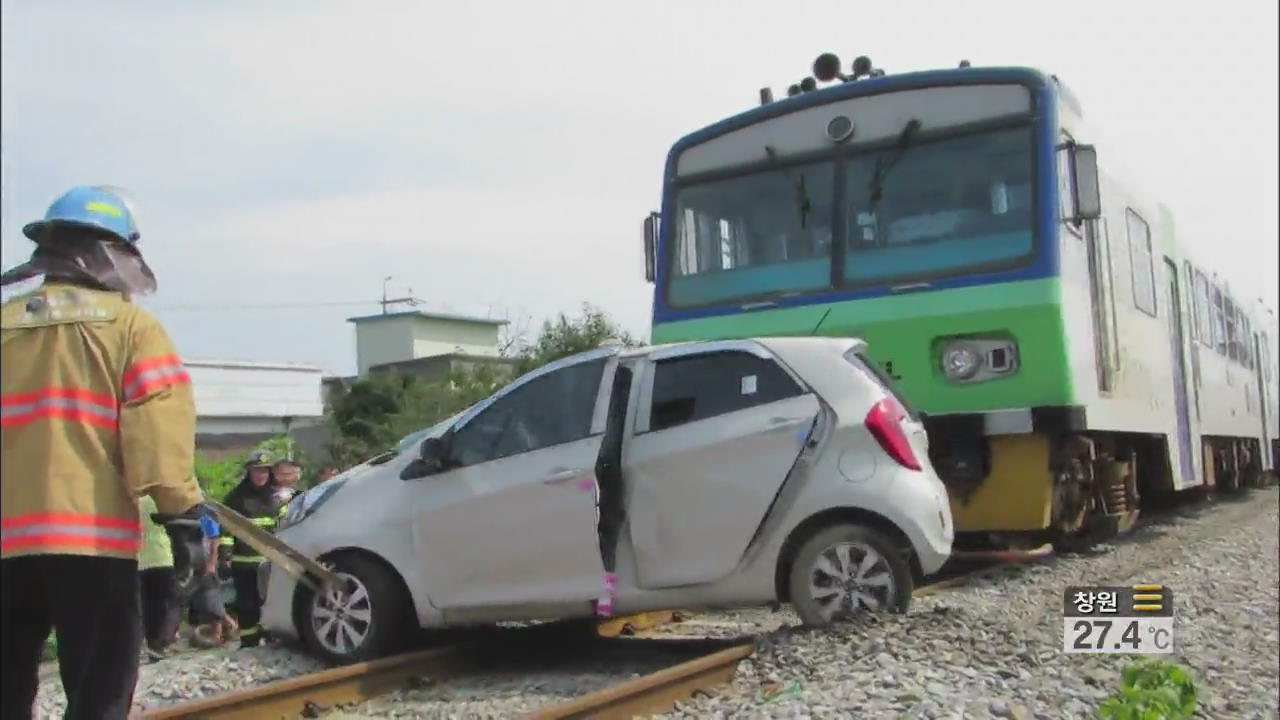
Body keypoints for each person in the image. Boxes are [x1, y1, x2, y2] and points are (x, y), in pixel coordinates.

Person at [1, 185, 213, 720]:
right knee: (99, 693)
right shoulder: (131, 327)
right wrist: (183, 522)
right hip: (92, 542)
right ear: (116, 253)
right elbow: (158, 441)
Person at [221, 450, 289, 648]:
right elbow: (227, 530)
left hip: (270, 561)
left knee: (271, 601)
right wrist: (225, 555)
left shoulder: (278, 499)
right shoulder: (235, 498)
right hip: (244, 562)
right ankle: (248, 640)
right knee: (247, 602)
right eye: (257, 471)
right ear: (249, 473)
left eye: (265, 472)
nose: (261, 476)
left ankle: (270, 635)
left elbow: (285, 527)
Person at [137, 496, 181, 661]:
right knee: (172, 601)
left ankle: (153, 646)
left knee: (149, 606)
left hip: (138, 560)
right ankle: (165, 639)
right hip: (161, 558)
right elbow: (174, 523)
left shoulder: (128, 499)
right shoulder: (157, 498)